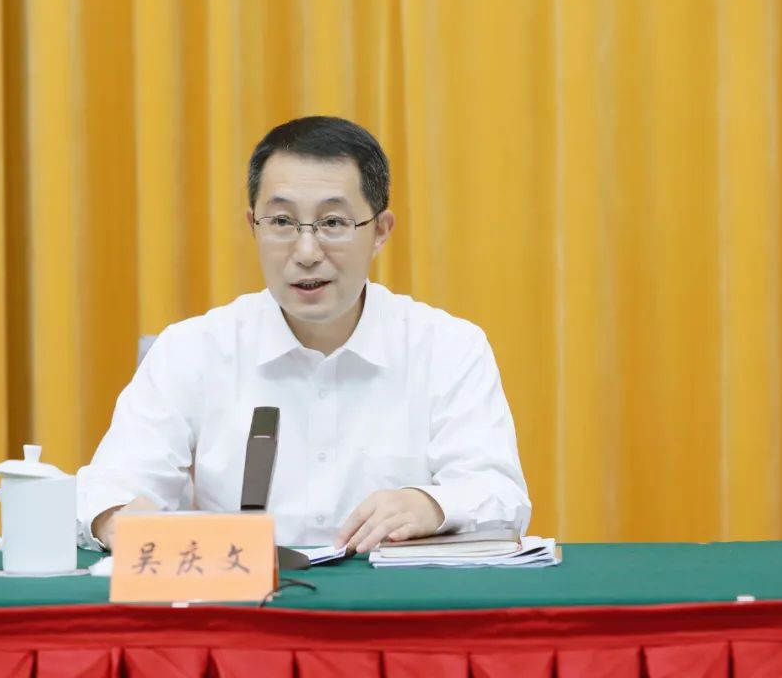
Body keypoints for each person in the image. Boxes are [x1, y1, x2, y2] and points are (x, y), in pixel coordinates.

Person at [77, 116, 530, 554]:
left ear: (380, 232)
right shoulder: (192, 349)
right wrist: (117, 517)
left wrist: (431, 505)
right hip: (243, 600)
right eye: (282, 222)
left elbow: (500, 495)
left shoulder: (448, 347)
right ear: (253, 226)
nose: (307, 252)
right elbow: (108, 487)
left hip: (393, 601)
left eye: (333, 223)